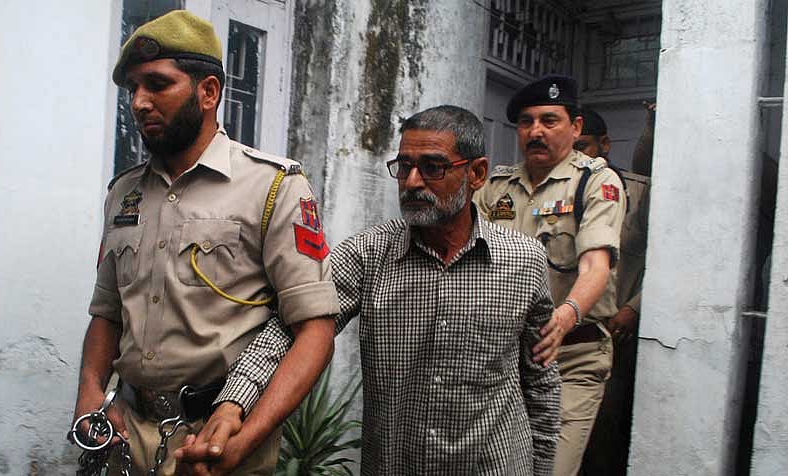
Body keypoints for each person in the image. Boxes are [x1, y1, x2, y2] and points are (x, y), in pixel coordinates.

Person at [177, 105, 562, 475]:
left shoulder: (523, 262)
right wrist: (233, 403)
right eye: (404, 167)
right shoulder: (369, 255)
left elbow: (541, 383)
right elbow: (289, 327)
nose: (412, 182)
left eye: (432, 167)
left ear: (477, 174)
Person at [70, 10, 340, 475]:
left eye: (157, 84)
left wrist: (246, 438)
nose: (139, 102)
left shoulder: (273, 186)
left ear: (208, 91)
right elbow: (107, 313)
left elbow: (314, 332)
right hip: (125, 435)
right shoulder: (124, 193)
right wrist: (90, 394)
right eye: (132, 88)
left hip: (218, 437)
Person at [473, 75, 626, 476]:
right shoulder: (495, 188)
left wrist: (564, 317)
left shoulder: (596, 181)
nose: (535, 131)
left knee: (551, 468)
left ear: (575, 128)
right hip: (503, 355)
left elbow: (596, 265)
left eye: (549, 120)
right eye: (526, 122)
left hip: (572, 354)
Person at [575, 106, 653, 476]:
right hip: (561, 335)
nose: (577, 155)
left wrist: (635, 308)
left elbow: (671, 258)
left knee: (605, 435)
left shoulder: (638, 192)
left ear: (605, 144)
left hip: (616, 335)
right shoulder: (556, 193)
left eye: (584, 146)